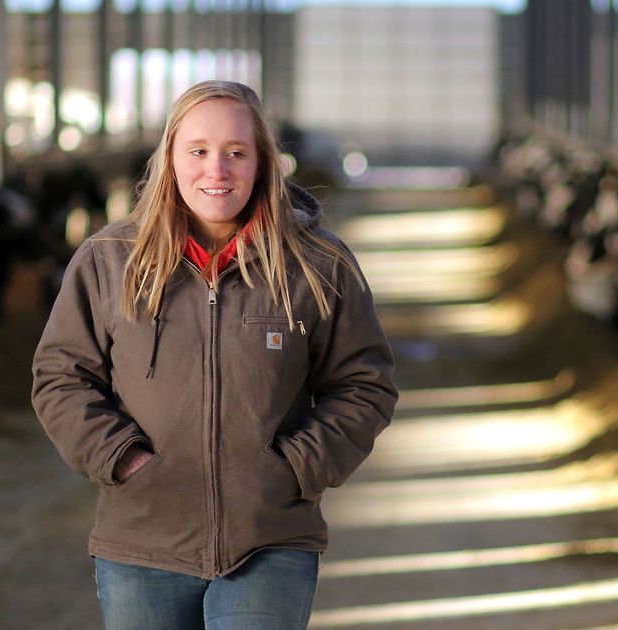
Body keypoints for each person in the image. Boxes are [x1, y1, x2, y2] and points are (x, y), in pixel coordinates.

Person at [31, 80, 397, 630]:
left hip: (270, 540)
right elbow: (61, 377)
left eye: (236, 153)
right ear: (170, 159)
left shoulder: (318, 264)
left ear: (263, 163)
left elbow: (365, 384)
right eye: (198, 151)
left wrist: (295, 467)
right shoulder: (110, 261)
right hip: (142, 542)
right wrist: (121, 459)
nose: (216, 170)